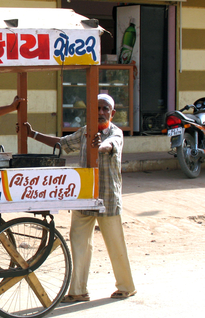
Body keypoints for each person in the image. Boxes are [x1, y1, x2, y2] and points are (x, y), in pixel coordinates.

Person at [22, 93, 136, 302]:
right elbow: (62, 143)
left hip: (107, 197)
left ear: (112, 113)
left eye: (105, 109)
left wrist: (98, 146)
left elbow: (109, 146)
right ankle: (78, 290)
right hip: (84, 195)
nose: (101, 113)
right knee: (78, 242)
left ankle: (126, 286)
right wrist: (34, 135)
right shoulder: (86, 132)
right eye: (97, 109)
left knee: (115, 242)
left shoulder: (115, 133)